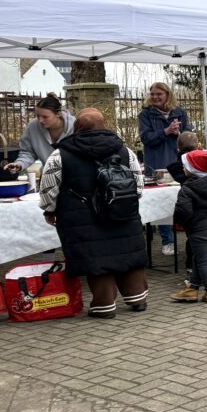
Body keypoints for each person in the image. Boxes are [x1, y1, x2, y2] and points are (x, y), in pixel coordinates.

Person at [38, 109, 148, 319]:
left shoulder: (61, 154)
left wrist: (49, 209)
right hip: (122, 212)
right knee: (127, 251)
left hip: (81, 215)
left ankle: (104, 306)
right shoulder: (124, 150)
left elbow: (48, 187)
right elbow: (138, 185)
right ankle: (137, 298)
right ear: (103, 124)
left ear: (77, 127)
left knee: (96, 257)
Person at [138, 82, 192, 256]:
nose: (155, 97)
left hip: (178, 162)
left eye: (159, 94)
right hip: (157, 164)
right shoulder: (146, 114)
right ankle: (167, 241)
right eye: (152, 94)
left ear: (168, 95)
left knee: (184, 200)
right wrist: (166, 131)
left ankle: (191, 238)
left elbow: (189, 135)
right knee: (161, 202)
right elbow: (146, 138)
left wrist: (180, 134)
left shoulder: (180, 112)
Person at [170, 150, 207, 304]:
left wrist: (180, 222)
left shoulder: (188, 189)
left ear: (193, 169)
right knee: (200, 258)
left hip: (197, 229)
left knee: (204, 261)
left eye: (185, 166)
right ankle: (193, 288)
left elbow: (183, 211)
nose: (183, 168)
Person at [7, 93, 75, 174]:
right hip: (47, 177)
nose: (40, 120)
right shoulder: (33, 126)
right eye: (38, 116)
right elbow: (28, 152)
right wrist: (20, 164)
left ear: (58, 114)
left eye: (45, 117)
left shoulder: (76, 126)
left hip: (74, 177)